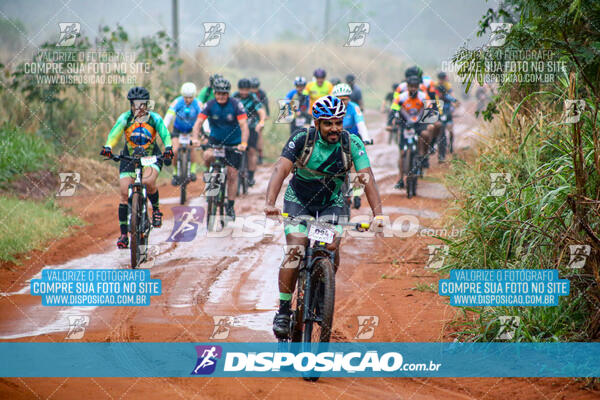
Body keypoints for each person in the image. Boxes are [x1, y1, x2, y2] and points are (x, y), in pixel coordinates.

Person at [264, 95, 384, 339]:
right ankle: (284, 310)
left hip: (332, 201)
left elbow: (366, 175)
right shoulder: (302, 138)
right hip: (299, 200)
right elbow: (281, 169)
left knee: (330, 247)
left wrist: (378, 214)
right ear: (317, 123)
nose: (335, 128)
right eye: (328, 123)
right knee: (295, 249)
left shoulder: (352, 143)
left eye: (338, 122)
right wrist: (270, 203)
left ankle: (322, 290)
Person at [100, 86, 173, 249]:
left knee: (148, 182)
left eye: (142, 105)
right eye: (135, 105)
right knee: (124, 193)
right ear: (131, 105)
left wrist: (168, 148)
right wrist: (108, 147)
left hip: (150, 156)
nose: (139, 108)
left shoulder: (154, 119)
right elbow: (115, 133)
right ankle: (124, 235)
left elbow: (165, 134)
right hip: (130, 156)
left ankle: (155, 210)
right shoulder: (125, 118)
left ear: (147, 105)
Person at [191, 77, 249, 219]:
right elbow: (198, 123)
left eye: (224, 94)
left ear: (228, 94)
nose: (221, 96)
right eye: (218, 93)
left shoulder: (236, 105)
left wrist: (244, 143)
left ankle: (230, 205)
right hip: (215, 140)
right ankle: (211, 176)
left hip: (233, 144)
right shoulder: (209, 105)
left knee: (232, 174)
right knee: (207, 156)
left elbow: (244, 126)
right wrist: (195, 138)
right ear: (215, 93)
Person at [389, 76, 435, 189]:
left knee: (425, 134)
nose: (413, 89)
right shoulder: (401, 97)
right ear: (407, 87)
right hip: (405, 124)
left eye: (415, 87)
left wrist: (429, 123)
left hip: (419, 124)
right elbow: (393, 110)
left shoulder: (424, 96)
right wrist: (392, 121)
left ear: (418, 87)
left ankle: (421, 156)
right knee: (402, 153)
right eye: (411, 87)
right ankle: (400, 179)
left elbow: (430, 109)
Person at [332, 83, 373, 209]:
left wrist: (365, 138)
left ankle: (356, 194)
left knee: (355, 168)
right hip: (336, 139)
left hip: (352, 139)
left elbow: (361, 123)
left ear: (349, 98)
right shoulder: (331, 108)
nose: (342, 101)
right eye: (339, 99)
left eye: (345, 99)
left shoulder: (354, 107)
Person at [163, 82, 201, 185]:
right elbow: (169, 116)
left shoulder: (198, 103)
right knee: (174, 150)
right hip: (178, 129)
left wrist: (206, 130)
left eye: (190, 97)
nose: (188, 100)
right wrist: (163, 128)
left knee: (192, 147)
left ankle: (192, 171)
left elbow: (203, 119)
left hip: (191, 130)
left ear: (194, 96)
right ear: (182, 96)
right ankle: (175, 173)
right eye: (186, 97)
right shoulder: (177, 102)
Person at [233, 78, 266, 186]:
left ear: (249, 89)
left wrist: (261, 122)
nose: (244, 92)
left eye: (246, 90)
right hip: (237, 127)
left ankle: (251, 176)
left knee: (251, 151)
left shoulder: (253, 97)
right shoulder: (234, 96)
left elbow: (261, 111)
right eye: (242, 90)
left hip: (251, 126)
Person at [250, 77, 268, 164]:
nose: (254, 89)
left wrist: (266, 115)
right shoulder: (247, 94)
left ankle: (260, 155)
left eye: (255, 87)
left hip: (258, 116)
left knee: (259, 134)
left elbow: (266, 104)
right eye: (252, 87)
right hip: (248, 116)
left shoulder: (261, 93)